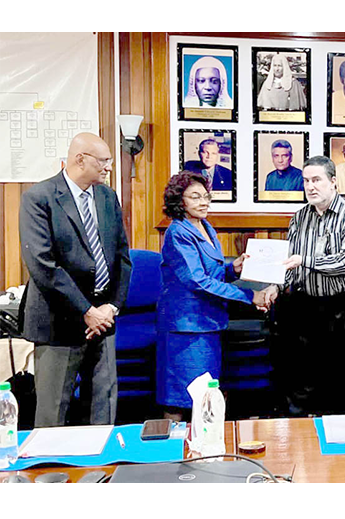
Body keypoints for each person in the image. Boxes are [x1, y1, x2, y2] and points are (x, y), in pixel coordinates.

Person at [19, 132, 132, 427]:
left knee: (103, 410)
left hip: (103, 321)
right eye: (104, 161)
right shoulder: (39, 197)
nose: (109, 167)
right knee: (53, 413)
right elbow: (43, 265)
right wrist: (86, 311)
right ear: (80, 159)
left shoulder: (107, 197)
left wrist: (111, 308)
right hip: (60, 321)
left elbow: (122, 257)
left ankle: (101, 469)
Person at [157, 172, 271, 422]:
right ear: (180, 201)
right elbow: (197, 280)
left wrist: (234, 269)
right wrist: (250, 295)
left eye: (206, 196)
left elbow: (214, 274)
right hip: (186, 329)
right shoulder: (178, 233)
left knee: (207, 396)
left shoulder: (206, 227)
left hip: (208, 324)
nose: (203, 201)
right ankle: (167, 455)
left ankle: (206, 451)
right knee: (179, 398)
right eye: (195, 197)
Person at [262, 156, 345, 417]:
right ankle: (301, 440)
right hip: (303, 305)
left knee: (337, 378)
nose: (310, 186)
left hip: (340, 307)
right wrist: (277, 285)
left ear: (333, 182)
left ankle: (334, 444)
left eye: (317, 180)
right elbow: (290, 261)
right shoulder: (299, 217)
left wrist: (305, 260)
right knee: (299, 377)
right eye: (306, 181)